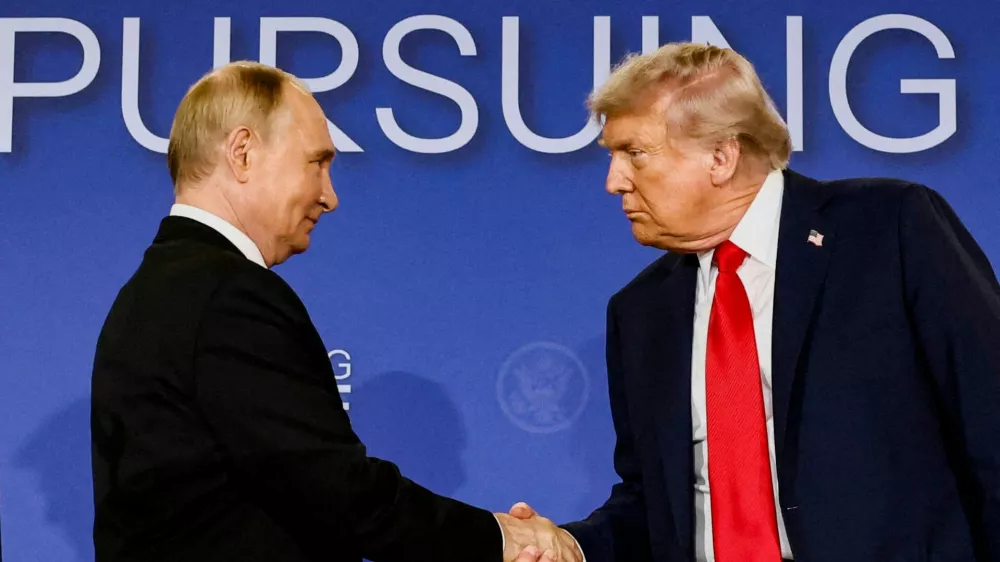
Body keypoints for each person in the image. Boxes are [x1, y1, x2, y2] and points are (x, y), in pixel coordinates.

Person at [507, 42, 1000, 562]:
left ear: (721, 157)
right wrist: (573, 546)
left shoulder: (887, 229)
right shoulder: (641, 312)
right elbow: (653, 507)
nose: (614, 182)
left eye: (634, 153)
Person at [90, 61, 580, 562]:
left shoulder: (153, 292)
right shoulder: (228, 296)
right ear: (243, 153)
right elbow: (333, 490)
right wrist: (501, 538)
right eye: (316, 163)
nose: (330, 196)